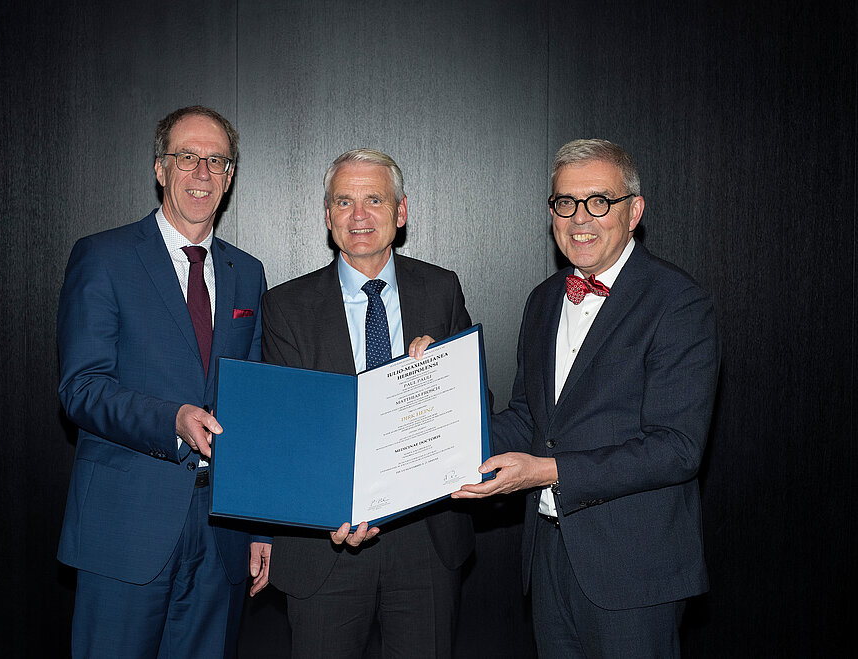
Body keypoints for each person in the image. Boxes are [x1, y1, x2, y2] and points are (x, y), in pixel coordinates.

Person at [453, 139, 720, 657]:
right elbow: (530, 420)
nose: (581, 218)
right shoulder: (544, 299)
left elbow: (676, 448)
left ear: (634, 211)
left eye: (599, 201)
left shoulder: (678, 303)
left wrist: (548, 471)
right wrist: (441, 429)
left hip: (634, 568)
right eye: (565, 203)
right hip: (548, 556)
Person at [56, 105, 270, 658]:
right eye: (187, 158)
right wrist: (170, 421)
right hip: (126, 529)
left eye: (215, 160)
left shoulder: (247, 273)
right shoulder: (102, 257)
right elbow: (80, 387)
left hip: (221, 535)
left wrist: (259, 524)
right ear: (160, 168)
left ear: (229, 176)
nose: (202, 172)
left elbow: (253, 402)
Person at [261, 149, 475, 658]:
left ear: (401, 213)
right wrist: (331, 505)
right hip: (326, 543)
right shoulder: (285, 306)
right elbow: (287, 433)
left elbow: (475, 405)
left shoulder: (441, 290)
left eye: (374, 200)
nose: (359, 216)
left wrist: (439, 378)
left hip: (427, 537)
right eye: (345, 202)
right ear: (327, 215)